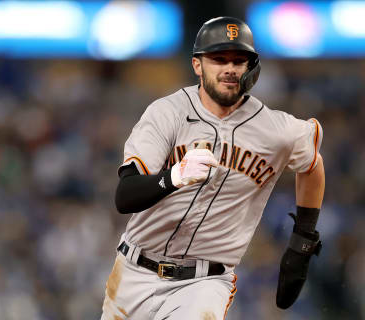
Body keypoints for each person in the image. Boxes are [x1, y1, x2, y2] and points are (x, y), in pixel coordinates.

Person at [100, 16, 325, 319]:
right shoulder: (168, 113)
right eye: (219, 59)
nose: (230, 68)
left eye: (239, 59)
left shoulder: (277, 130)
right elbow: (124, 197)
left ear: (251, 68)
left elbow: (313, 163)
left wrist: (302, 239)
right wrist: (173, 177)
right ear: (197, 65)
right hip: (134, 272)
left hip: (204, 282)